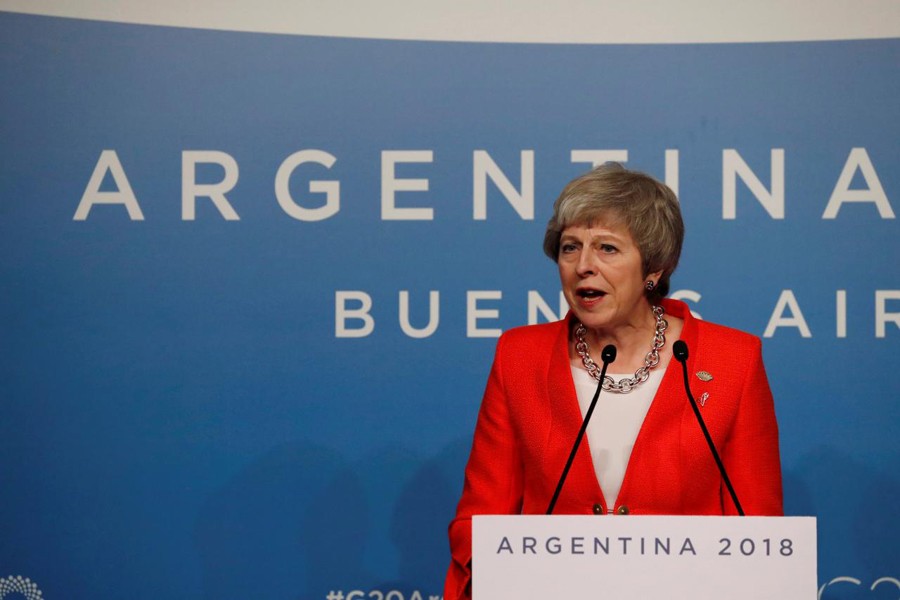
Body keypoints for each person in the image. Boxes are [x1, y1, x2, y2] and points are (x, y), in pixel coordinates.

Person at [443, 163, 783, 600]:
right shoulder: (519, 357)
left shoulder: (733, 360)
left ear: (654, 268)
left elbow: (758, 529)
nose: (584, 266)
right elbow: (480, 519)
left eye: (607, 248)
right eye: (570, 248)